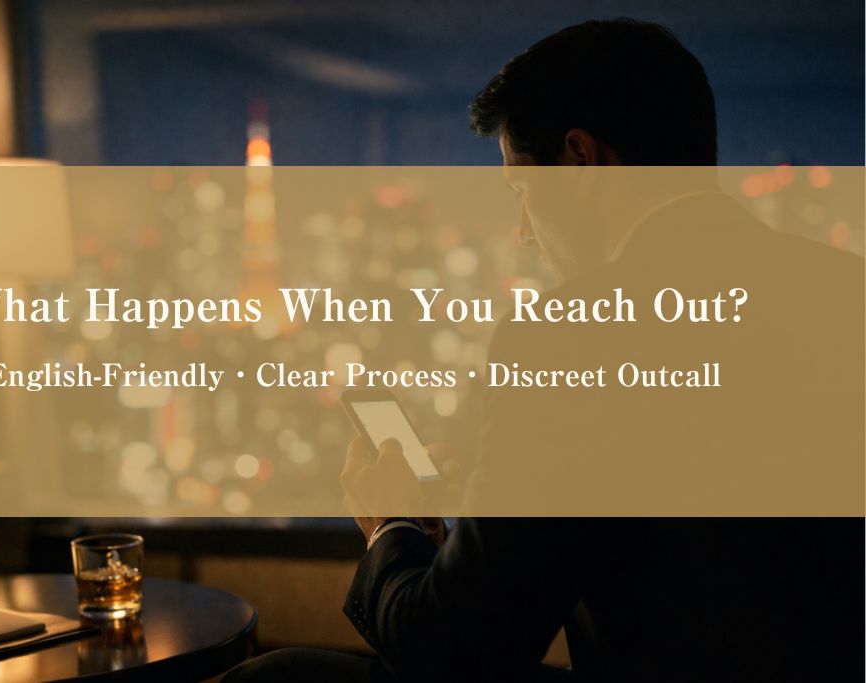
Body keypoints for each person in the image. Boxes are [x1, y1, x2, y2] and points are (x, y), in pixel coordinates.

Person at [224, 18, 864, 682]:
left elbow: (451, 653)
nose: (526, 234)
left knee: (278, 677)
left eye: (523, 194)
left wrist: (392, 527)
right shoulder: (848, 290)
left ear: (581, 160)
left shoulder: (571, 337)